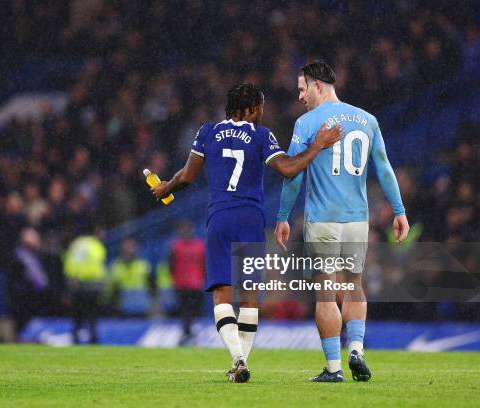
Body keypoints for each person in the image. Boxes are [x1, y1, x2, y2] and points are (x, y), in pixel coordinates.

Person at [152, 83, 343, 383]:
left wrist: (165, 187)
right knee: (249, 298)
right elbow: (288, 169)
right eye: (261, 107)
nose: (263, 112)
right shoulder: (262, 135)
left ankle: (237, 360)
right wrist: (318, 146)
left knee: (222, 297)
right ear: (253, 108)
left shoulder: (207, 132)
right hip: (251, 220)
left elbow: (186, 176)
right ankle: (241, 360)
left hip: (220, 218)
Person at [275, 61, 410, 382]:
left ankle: (334, 367)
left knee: (325, 292)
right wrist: (399, 210)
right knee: (353, 286)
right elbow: (385, 167)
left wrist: (282, 216)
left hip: (323, 218)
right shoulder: (367, 120)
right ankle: (357, 350)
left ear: (317, 86)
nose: (299, 95)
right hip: (357, 220)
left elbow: (293, 175)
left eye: (302, 88)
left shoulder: (307, 122)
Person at [169, 220, 205, 343]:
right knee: (185, 310)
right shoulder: (176, 246)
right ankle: (187, 333)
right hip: (181, 284)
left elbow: (204, 263)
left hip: (196, 283)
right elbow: (171, 265)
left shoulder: (199, 245)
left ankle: (190, 332)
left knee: (193, 309)